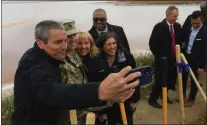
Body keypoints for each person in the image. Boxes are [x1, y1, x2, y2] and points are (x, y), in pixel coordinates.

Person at [11, 20, 141, 125]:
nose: (64, 46)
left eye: (65, 41)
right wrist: (99, 91)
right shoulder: (33, 62)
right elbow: (52, 92)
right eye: (58, 42)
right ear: (40, 43)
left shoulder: (54, 56)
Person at [95, 32, 140, 125]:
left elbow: (135, 78)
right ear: (102, 46)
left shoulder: (127, 57)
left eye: (114, 43)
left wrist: (134, 100)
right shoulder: (97, 61)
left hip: (125, 100)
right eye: (108, 44)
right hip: (107, 104)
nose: (112, 47)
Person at [148, 6, 182, 108]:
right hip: (161, 60)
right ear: (168, 15)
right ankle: (152, 99)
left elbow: (179, 41)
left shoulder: (178, 26)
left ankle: (164, 95)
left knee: (170, 79)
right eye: (174, 16)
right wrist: (160, 56)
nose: (176, 18)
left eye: (177, 16)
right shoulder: (158, 27)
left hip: (173, 59)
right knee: (160, 80)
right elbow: (152, 44)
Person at [58, 19, 87, 125]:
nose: (73, 39)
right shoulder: (60, 61)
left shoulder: (75, 53)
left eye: (74, 35)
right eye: (69, 36)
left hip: (83, 114)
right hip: (69, 119)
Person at [181, 11, 207, 107]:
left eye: (197, 23)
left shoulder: (205, 32)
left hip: (197, 60)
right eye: (193, 23)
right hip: (185, 57)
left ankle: (191, 99)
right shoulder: (188, 29)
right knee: (183, 77)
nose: (195, 25)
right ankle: (182, 95)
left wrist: (202, 66)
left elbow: (205, 51)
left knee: (194, 80)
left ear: (202, 21)